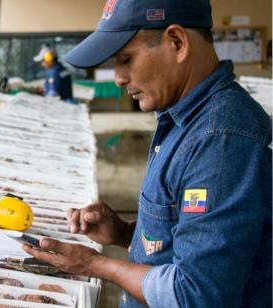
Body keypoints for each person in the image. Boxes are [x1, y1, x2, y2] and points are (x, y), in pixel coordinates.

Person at [23, 0, 272, 307]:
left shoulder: (221, 140)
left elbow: (196, 295)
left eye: (125, 59)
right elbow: (192, 240)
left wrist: (94, 264)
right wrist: (127, 233)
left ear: (177, 42)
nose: (118, 78)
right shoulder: (185, 118)